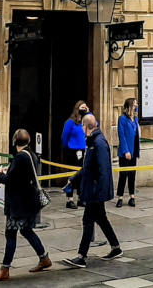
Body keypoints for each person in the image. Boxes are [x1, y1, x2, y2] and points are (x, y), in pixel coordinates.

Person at [0, 129, 52, 281]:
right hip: (28, 202)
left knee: (11, 234)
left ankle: (5, 269)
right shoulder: (31, 154)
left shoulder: (21, 157)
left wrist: (0, 174)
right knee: (27, 230)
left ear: (14, 140)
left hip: (19, 204)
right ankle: (44, 258)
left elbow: (11, 180)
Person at [61, 114, 123, 269]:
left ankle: (81, 256)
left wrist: (99, 192)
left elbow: (103, 170)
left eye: (82, 126)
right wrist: (73, 179)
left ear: (86, 126)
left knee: (88, 220)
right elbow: (87, 168)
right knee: (101, 218)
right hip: (93, 189)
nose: (81, 129)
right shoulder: (92, 142)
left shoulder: (99, 143)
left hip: (95, 191)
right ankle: (116, 247)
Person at [61, 100, 89, 209]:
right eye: (82, 107)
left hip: (82, 151)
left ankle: (80, 198)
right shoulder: (70, 122)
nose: (84, 109)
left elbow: (95, 124)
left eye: (85, 107)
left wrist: (88, 113)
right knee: (71, 175)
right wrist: (67, 148)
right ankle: (69, 199)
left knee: (81, 176)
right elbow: (64, 137)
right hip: (72, 151)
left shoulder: (84, 121)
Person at [115, 97, 140, 208]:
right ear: (129, 106)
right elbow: (122, 135)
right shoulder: (122, 119)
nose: (136, 106)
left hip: (134, 150)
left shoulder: (134, 118)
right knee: (123, 174)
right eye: (134, 105)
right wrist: (126, 151)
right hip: (125, 151)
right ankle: (120, 197)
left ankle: (132, 196)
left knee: (132, 175)